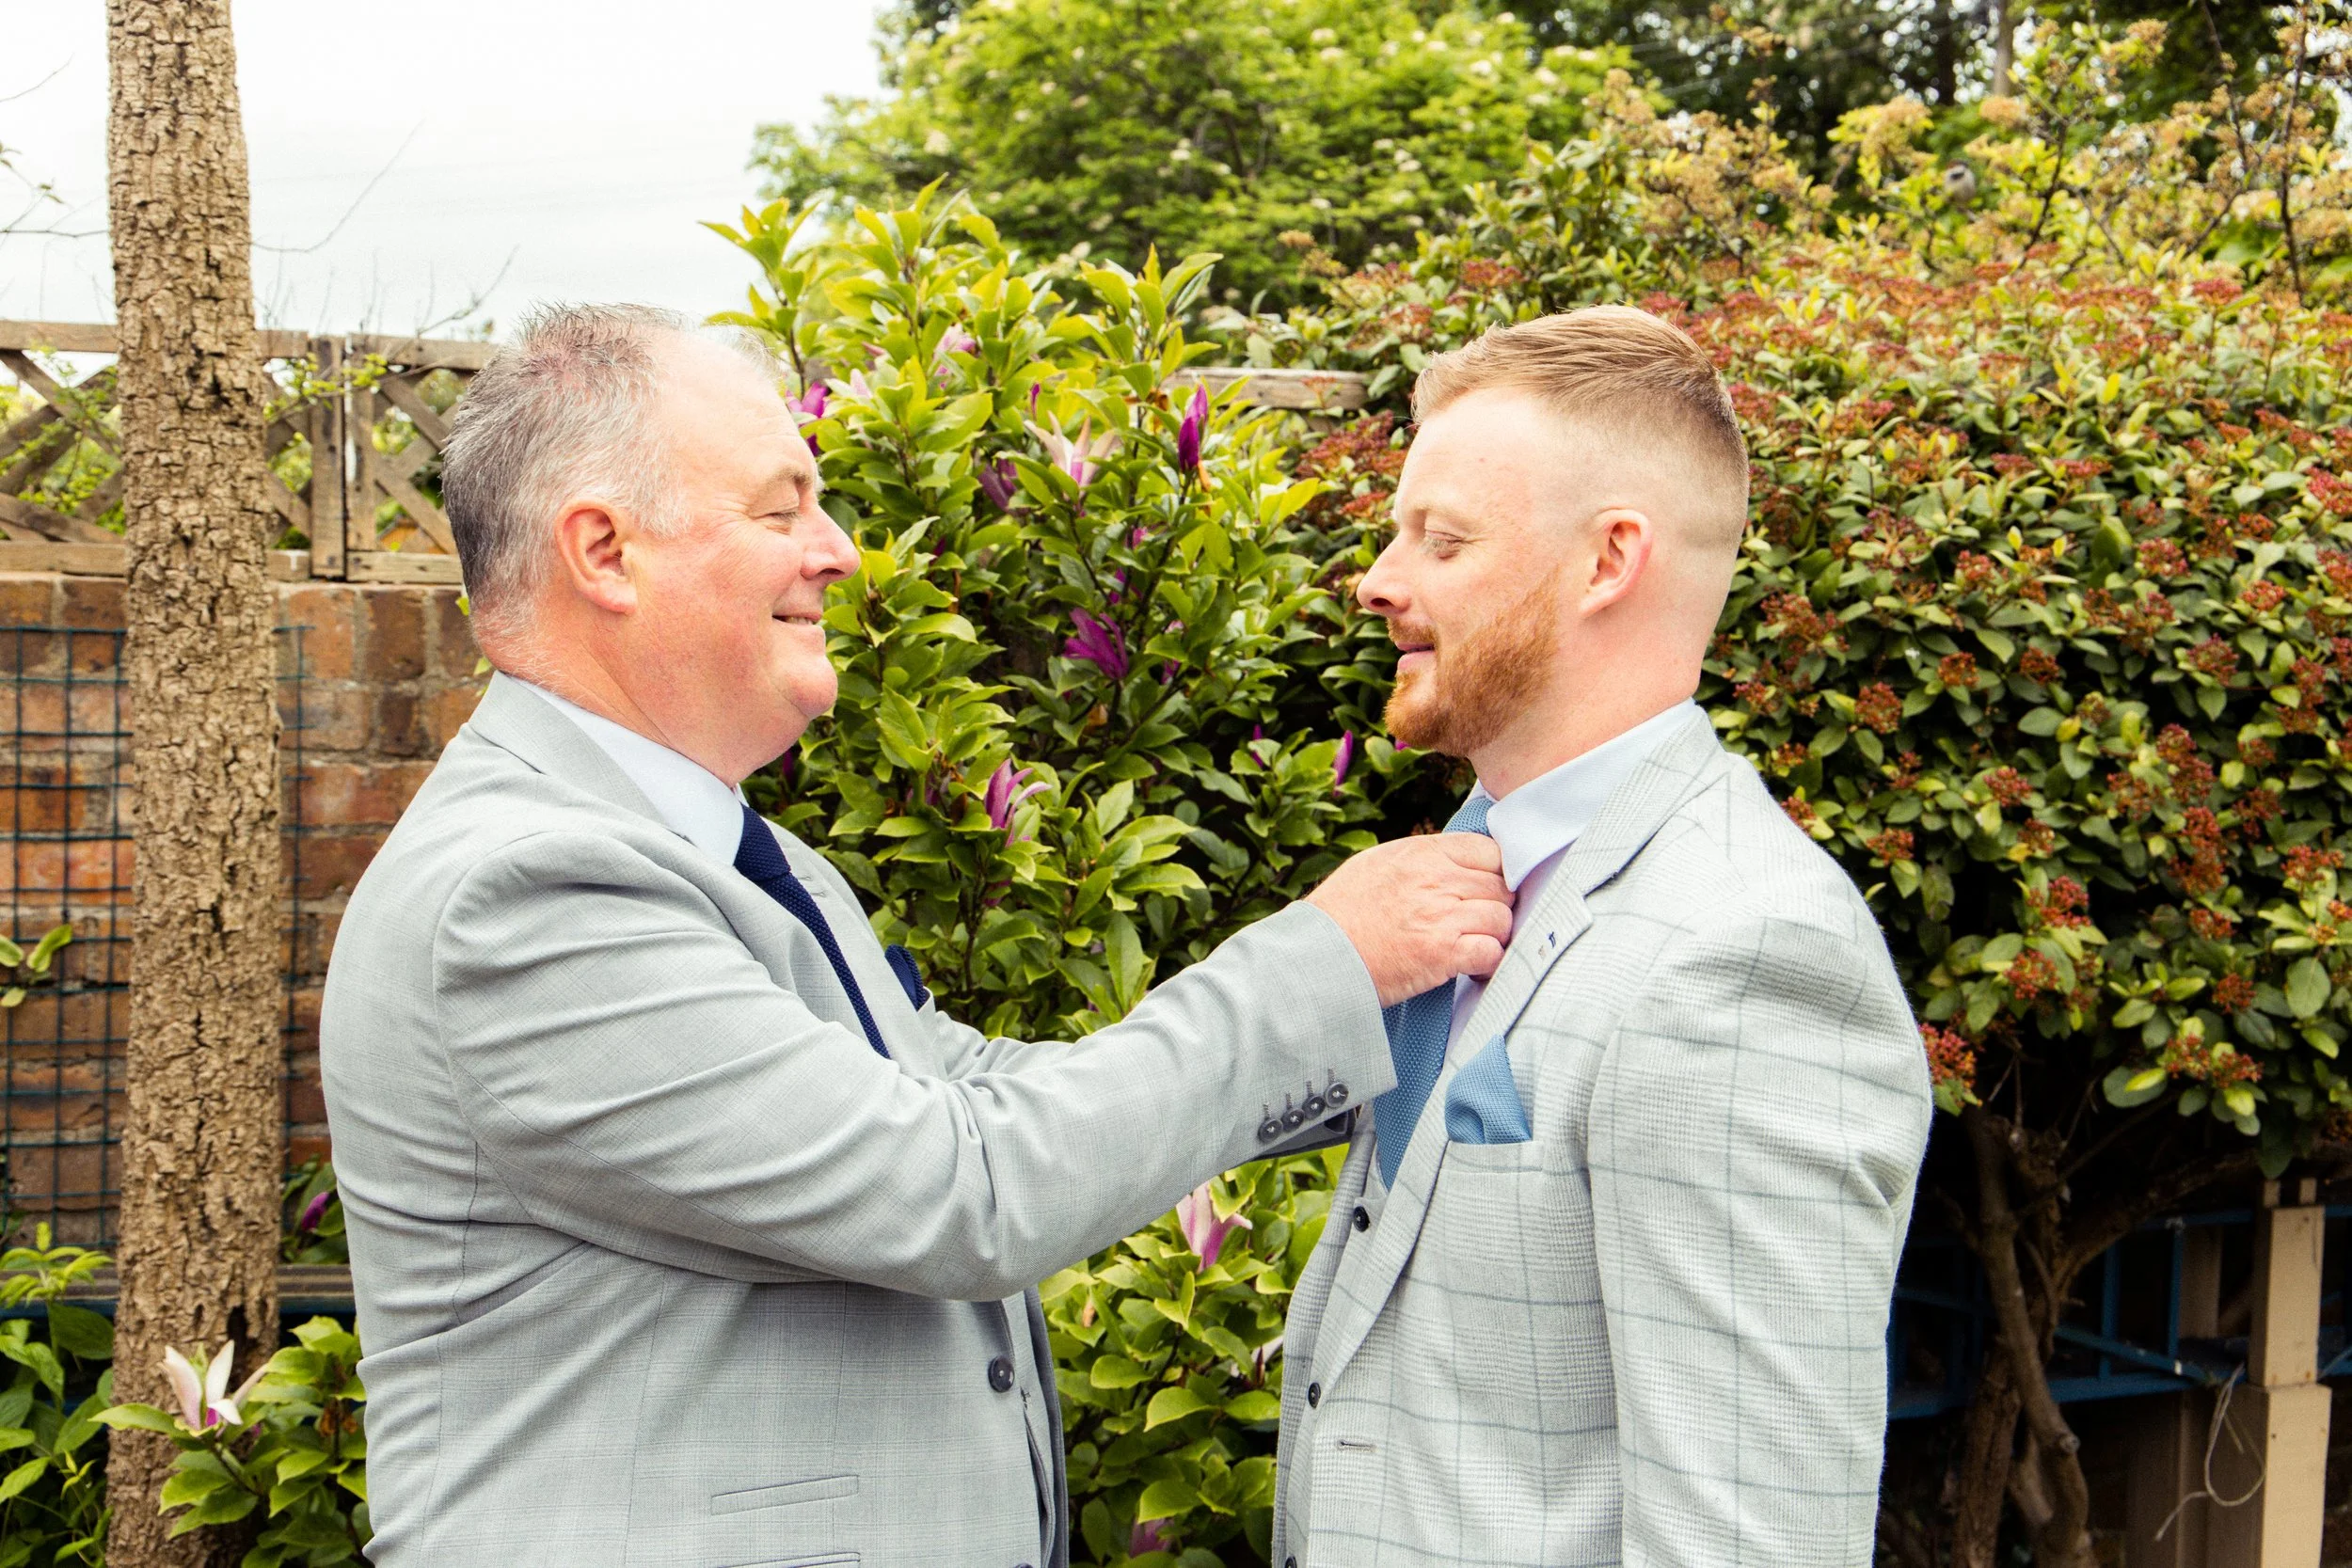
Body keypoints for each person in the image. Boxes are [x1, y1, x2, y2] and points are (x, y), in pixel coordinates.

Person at [318, 304, 1514, 1568]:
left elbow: (968, 1086)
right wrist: (1327, 956)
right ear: (606, 554)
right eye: (782, 510)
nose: (837, 552)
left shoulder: (733, 853)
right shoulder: (529, 892)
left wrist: (1384, 1010)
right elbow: (954, 1183)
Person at [1271, 306, 1933, 1568]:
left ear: (1608, 559)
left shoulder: (1743, 957)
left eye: (1441, 537)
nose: (1378, 578)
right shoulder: (1446, 888)